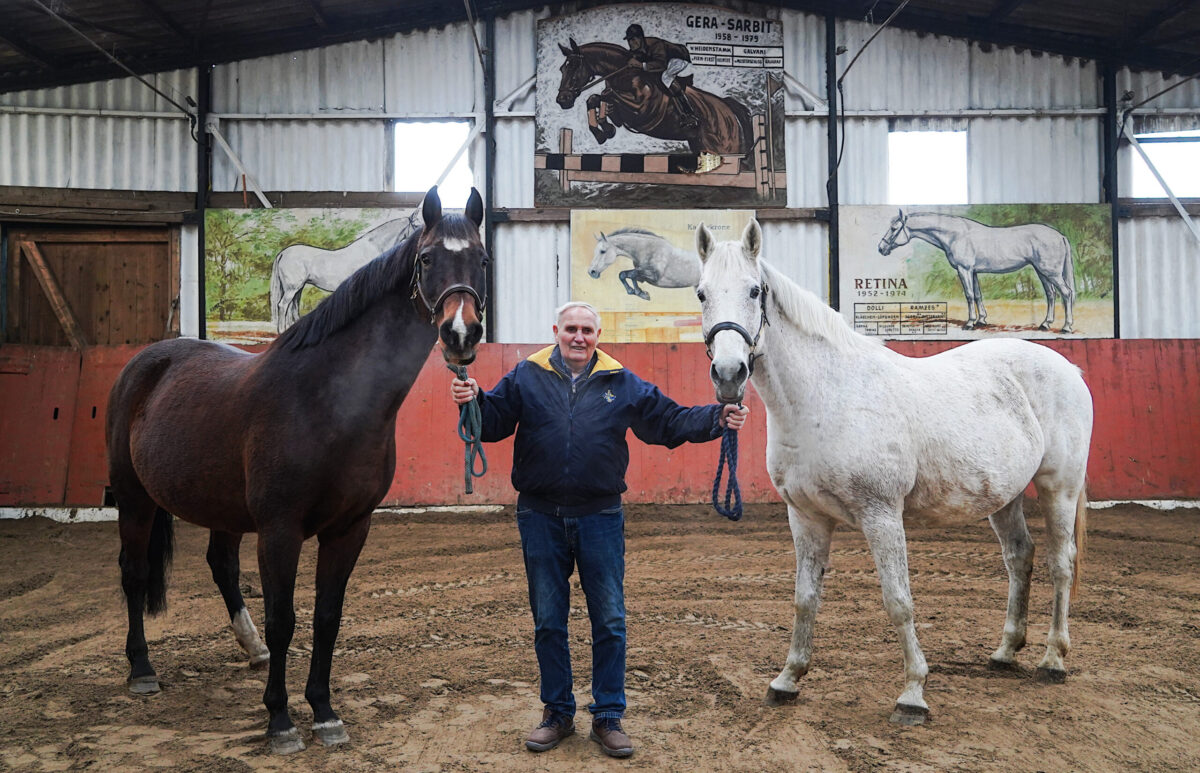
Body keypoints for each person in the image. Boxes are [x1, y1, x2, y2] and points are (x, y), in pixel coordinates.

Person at [449, 301, 747, 758]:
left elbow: (666, 421)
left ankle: (608, 716)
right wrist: (474, 402)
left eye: (587, 330)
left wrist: (715, 417)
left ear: (598, 334)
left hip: (600, 517)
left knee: (609, 621)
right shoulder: (527, 376)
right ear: (556, 331)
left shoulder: (620, 380)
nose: (579, 337)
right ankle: (558, 713)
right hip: (539, 516)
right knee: (549, 622)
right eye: (571, 329)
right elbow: (493, 423)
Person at [624, 23, 699, 129]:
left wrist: (641, 65)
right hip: (666, 62)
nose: (632, 43)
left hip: (679, 59)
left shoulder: (656, 45)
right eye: (629, 40)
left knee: (665, 77)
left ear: (641, 38)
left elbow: (661, 64)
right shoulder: (636, 49)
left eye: (634, 39)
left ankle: (689, 113)